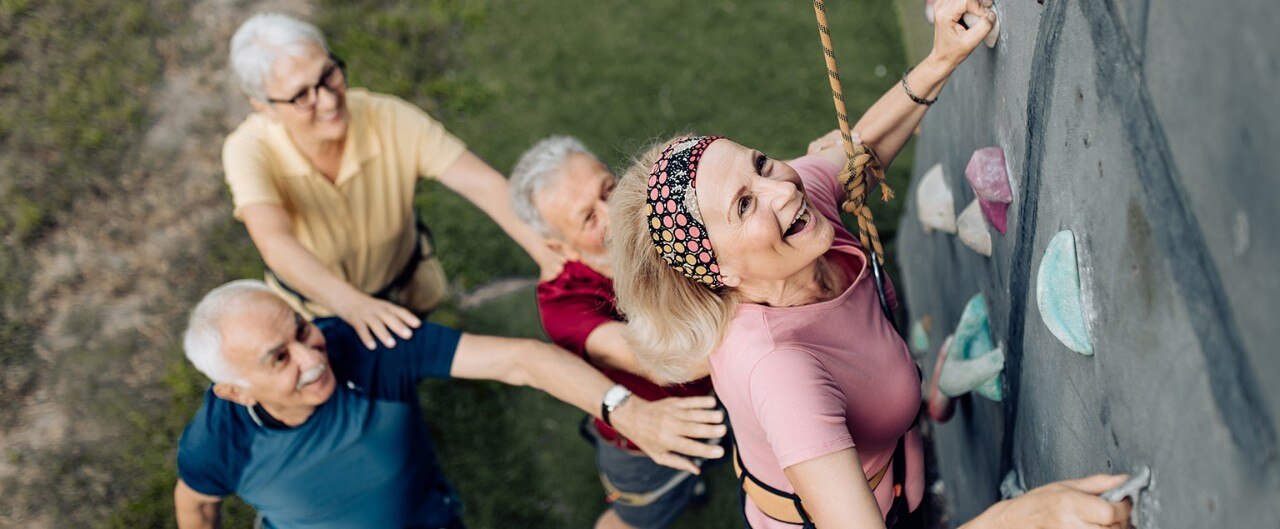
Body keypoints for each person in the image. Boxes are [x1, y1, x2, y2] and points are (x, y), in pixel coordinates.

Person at [605, 0, 1133, 527]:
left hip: (898, 476)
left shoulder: (796, 215)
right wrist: (1032, 516)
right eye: (744, 205)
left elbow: (863, 154)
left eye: (761, 163)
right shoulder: (780, 372)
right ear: (719, 273)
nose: (782, 189)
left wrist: (942, 57)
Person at [172, 280, 726, 529]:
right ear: (236, 391)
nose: (311, 353)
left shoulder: (362, 344)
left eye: (300, 327)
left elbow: (521, 360)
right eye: (279, 358)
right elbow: (197, 508)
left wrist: (626, 410)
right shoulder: (215, 442)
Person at [222, 13, 561, 352]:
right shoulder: (247, 151)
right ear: (264, 107)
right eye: (301, 96)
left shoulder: (388, 117)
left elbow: (483, 185)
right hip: (317, 308)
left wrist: (546, 255)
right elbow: (274, 241)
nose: (327, 100)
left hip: (405, 272)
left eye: (328, 75)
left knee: (411, 339)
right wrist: (352, 305)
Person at [509, 137, 719, 529]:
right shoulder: (563, 305)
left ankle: (696, 480)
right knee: (633, 519)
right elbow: (669, 363)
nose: (613, 214)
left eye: (609, 189)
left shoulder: (652, 211)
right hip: (645, 444)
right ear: (559, 245)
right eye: (588, 218)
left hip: (710, 395)